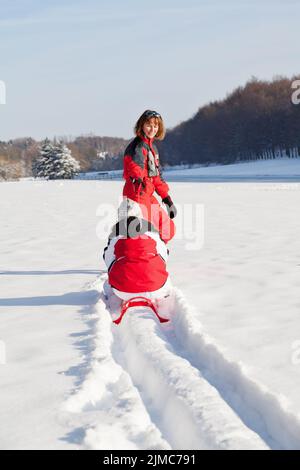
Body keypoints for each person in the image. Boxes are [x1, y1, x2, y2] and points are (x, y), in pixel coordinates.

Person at [121, 109, 177, 244]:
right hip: (137, 193)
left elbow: (156, 177)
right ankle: (137, 258)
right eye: (149, 125)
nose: (152, 129)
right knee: (142, 232)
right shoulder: (137, 147)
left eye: (155, 126)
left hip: (148, 194)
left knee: (167, 228)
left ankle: (156, 253)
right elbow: (134, 165)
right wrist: (138, 178)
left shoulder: (152, 148)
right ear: (141, 125)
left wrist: (166, 198)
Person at [103, 216, 172, 301]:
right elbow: (165, 257)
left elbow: (107, 259)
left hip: (123, 293)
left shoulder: (117, 242)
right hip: (155, 290)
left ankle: (111, 299)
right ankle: (166, 295)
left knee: (108, 279)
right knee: (165, 274)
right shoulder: (152, 240)